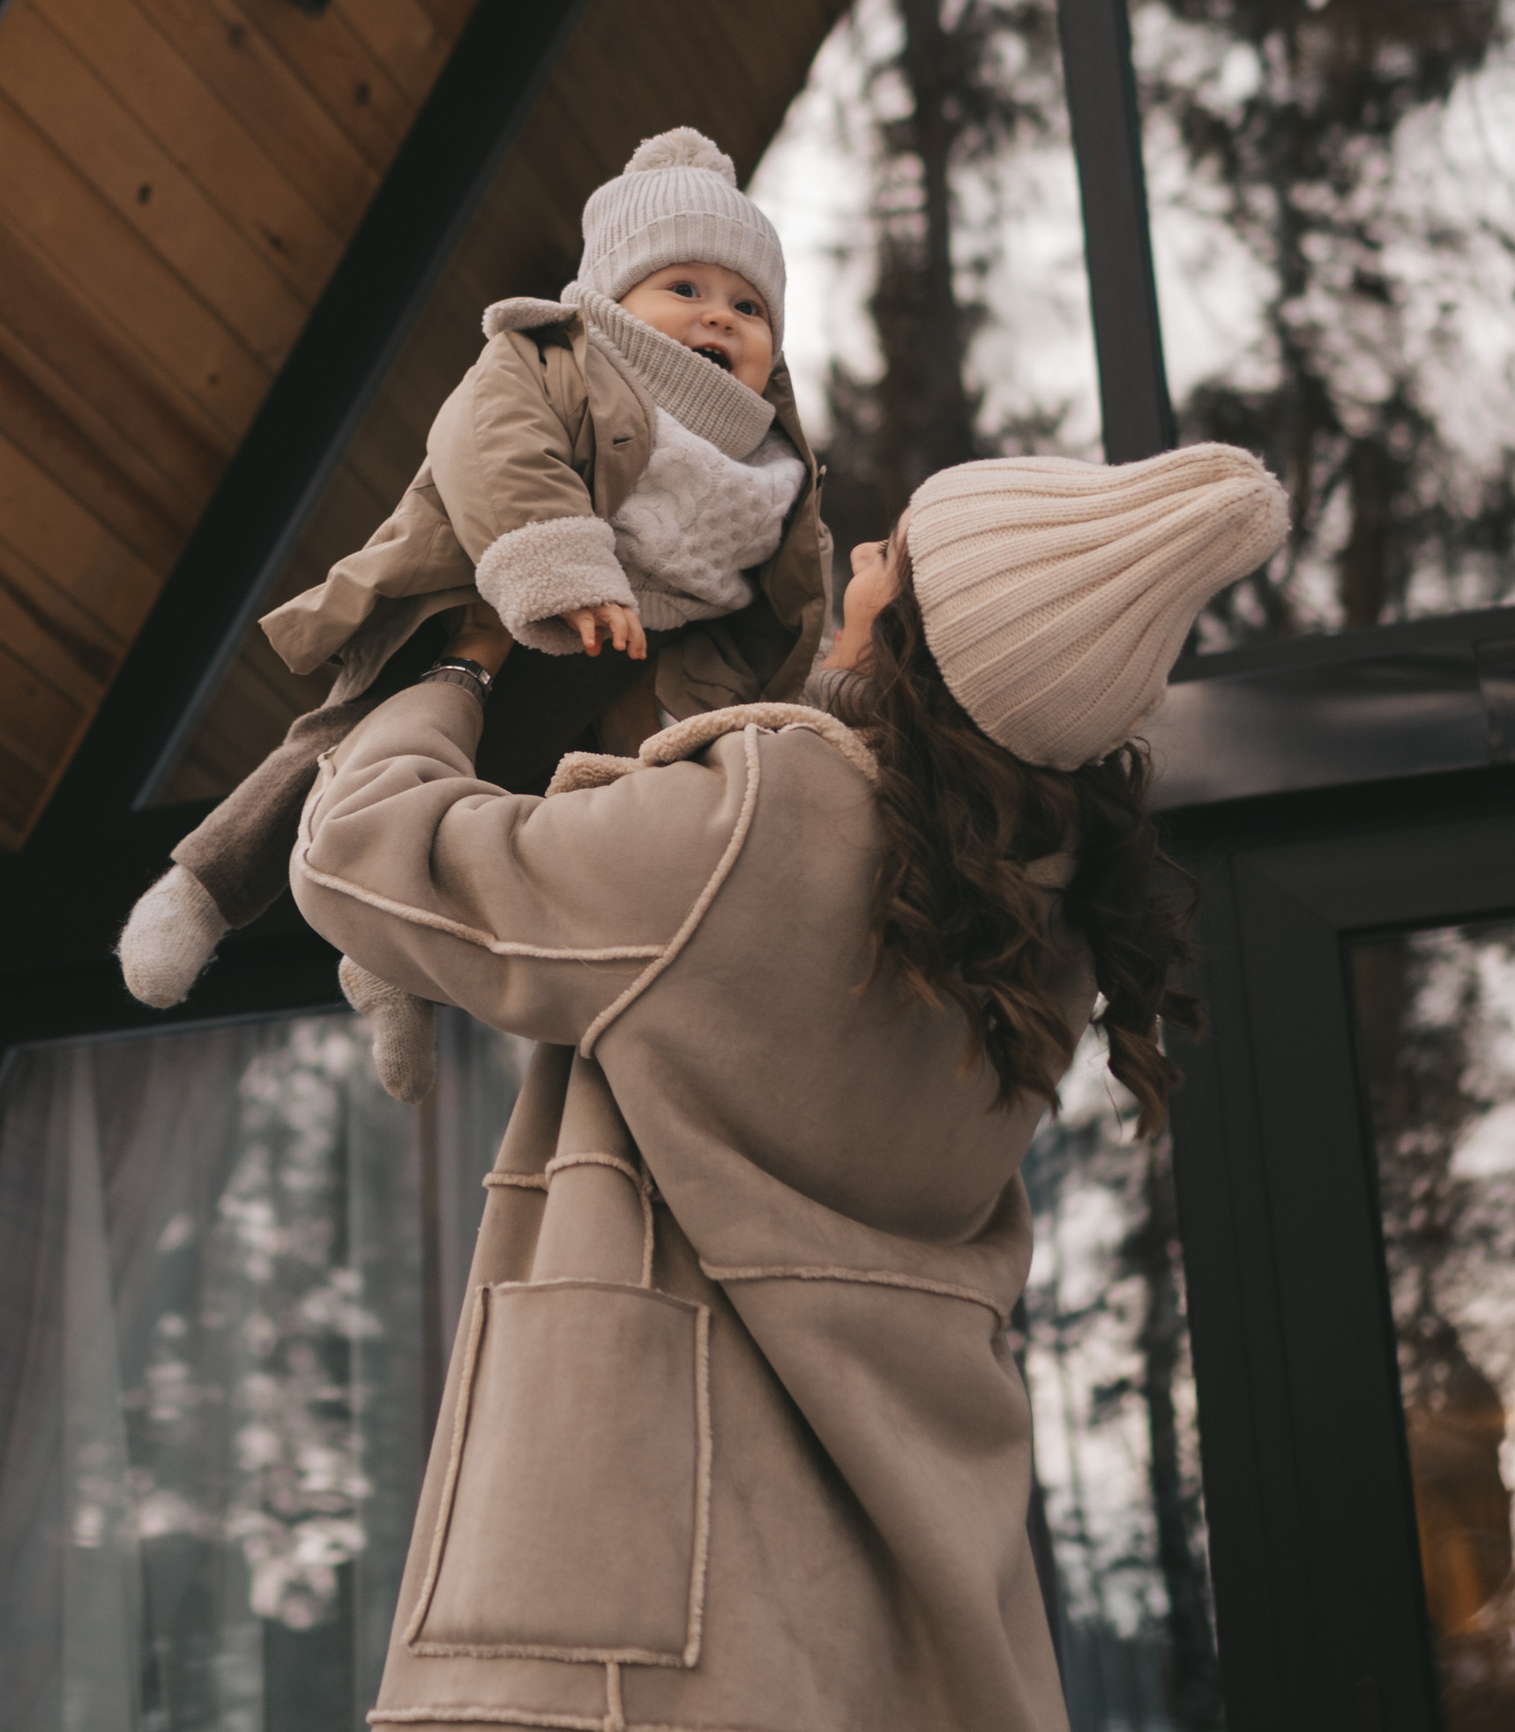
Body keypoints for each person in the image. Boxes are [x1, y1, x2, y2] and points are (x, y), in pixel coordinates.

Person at [288, 440, 1286, 1730]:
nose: (863, 556)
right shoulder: (1049, 943)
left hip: (647, 1630)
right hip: (916, 1636)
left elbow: (365, 859)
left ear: (926, 647)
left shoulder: (765, 817)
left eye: (896, 558)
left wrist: (456, 660)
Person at [119, 131, 829, 1095]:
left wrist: (763, 715)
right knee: (341, 748)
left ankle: (399, 975)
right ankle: (203, 889)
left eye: (749, 307)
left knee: (510, 837)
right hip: (492, 591)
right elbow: (493, 446)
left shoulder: (773, 471)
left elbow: (778, 611)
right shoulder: (555, 358)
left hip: (613, 683)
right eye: (687, 289)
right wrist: (564, 563)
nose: (721, 318)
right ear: (613, 298)